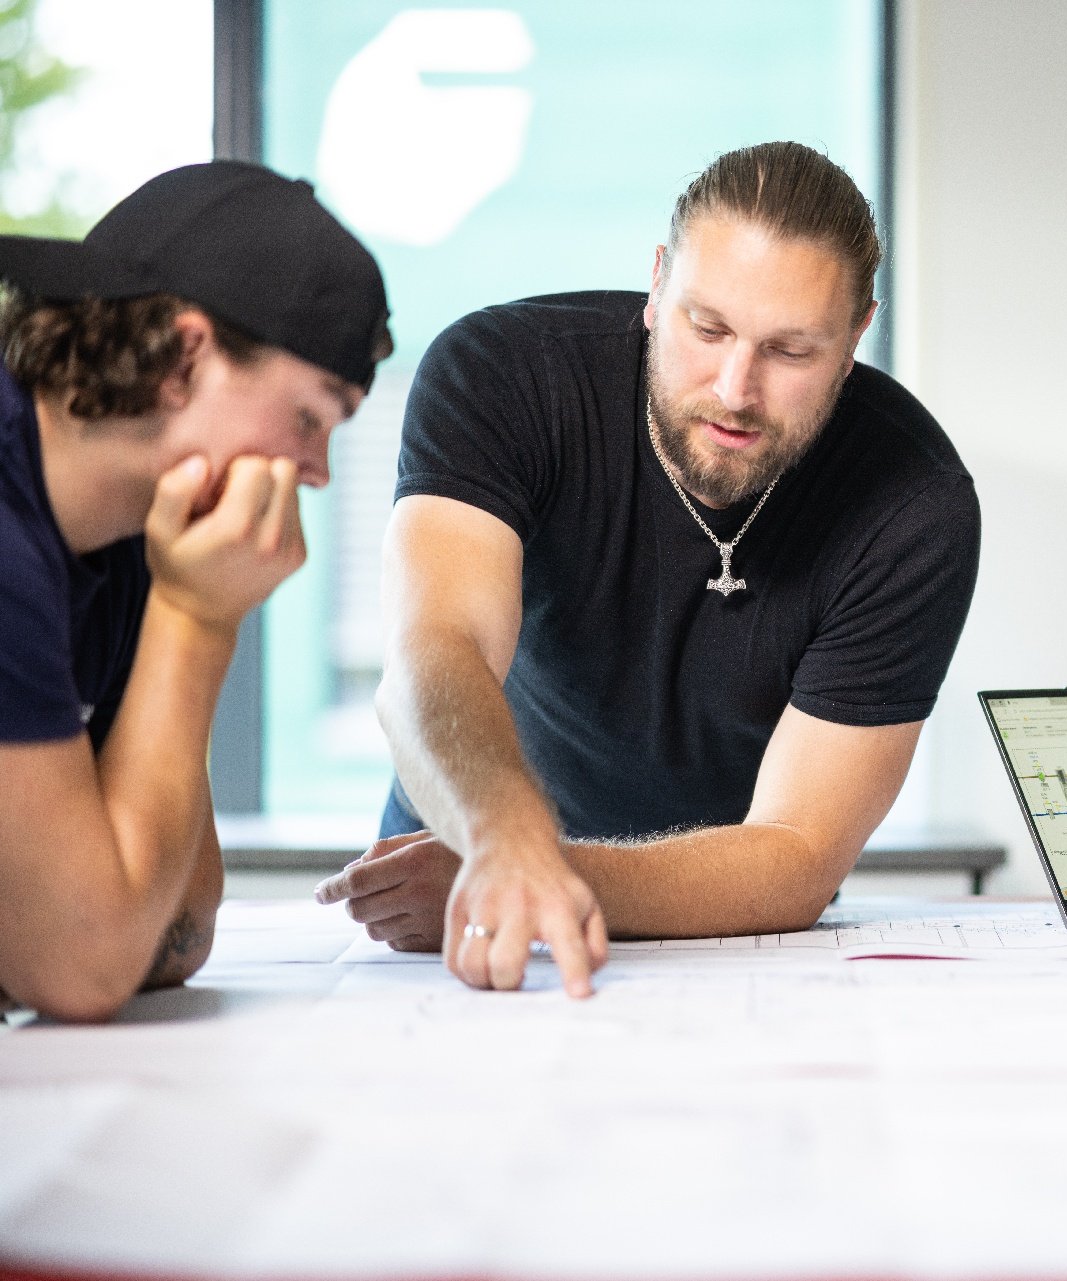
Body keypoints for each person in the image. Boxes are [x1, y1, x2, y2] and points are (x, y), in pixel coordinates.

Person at [315, 142, 980, 998]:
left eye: (790, 351)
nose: (736, 389)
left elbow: (797, 852)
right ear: (658, 283)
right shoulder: (505, 374)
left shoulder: (913, 501)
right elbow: (436, 651)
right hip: (459, 874)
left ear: (855, 337)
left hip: (735, 934)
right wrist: (500, 843)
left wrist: (543, 870)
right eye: (708, 328)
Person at [0, 161, 390, 1021]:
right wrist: (200, 616)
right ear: (184, 357)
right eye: (309, 418)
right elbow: (85, 966)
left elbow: (178, 928)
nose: (317, 472)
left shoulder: (131, 543)